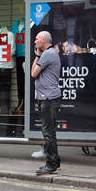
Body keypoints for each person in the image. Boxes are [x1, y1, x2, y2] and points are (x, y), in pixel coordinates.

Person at [31, 30, 61, 174]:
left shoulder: (48, 54)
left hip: (48, 98)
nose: (35, 41)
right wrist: (37, 54)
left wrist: (38, 54)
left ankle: (51, 163)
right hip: (48, 97)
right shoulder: (48, 54)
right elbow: (33, 72)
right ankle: (55, 159)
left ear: (43, 40)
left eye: (37, 39)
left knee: (48, 132)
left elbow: (33, 73)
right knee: (50, 131)